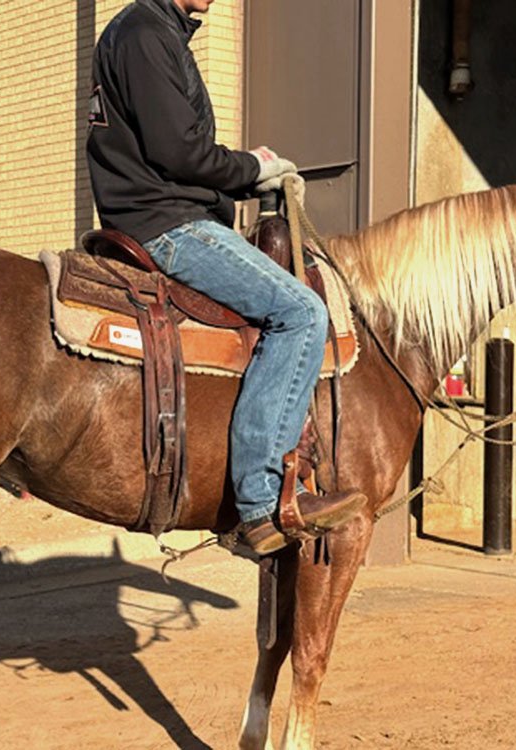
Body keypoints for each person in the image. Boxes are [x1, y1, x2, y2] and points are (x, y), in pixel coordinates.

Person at [86, 0, 366, 553]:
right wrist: (254, 168)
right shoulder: (146, 33)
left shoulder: (154, 32)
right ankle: (262, 502)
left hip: (157, 213)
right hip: (168, 225)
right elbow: (179, 153)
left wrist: (245, 173)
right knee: (301, 313)